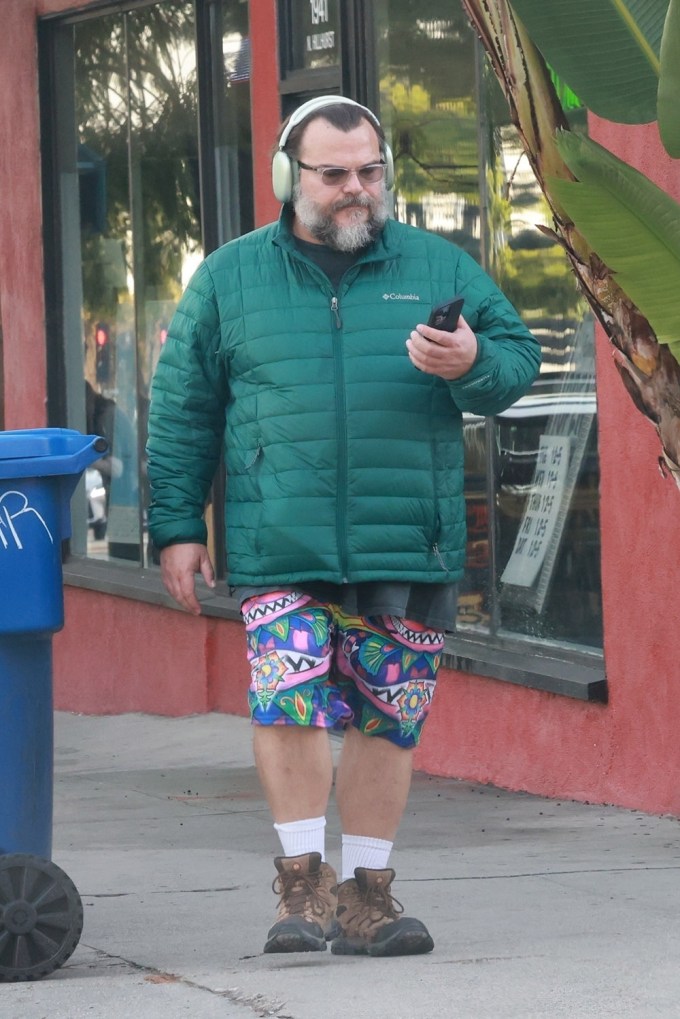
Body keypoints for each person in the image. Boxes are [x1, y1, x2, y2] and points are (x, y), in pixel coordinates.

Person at [146, 96, 541, 957]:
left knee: (385, 715)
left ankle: (369, 895)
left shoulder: (438, 266)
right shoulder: (230, 276)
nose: (356, 190)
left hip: (410, 536)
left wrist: (473, 363)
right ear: (292, 179)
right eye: (334, 175)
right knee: (289, 702)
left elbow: (517, 359)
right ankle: (302, 884)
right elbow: (183, 410)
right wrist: (177, 525)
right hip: (278, 540)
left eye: (370, 172)